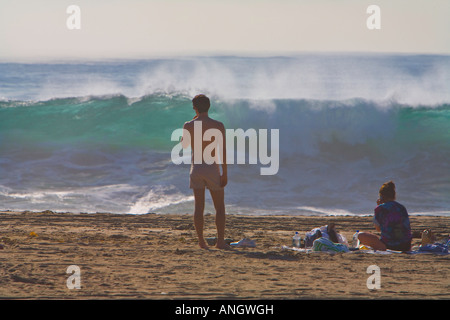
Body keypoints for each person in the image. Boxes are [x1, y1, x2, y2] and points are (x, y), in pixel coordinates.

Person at [181, 94, 228, 249]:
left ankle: (201, 241)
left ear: (195, 108)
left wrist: (191, 123)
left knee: (198, 207)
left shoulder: (188, 125)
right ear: (209, 107)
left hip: (196, 169)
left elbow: (184, 145)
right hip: (212, 168)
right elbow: (223, 151)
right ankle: (220, 242)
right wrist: (224, 172)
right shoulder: (218, 125)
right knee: (219, 208)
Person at [358, 181, 412, 251]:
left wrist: (378, 206)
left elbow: (378, 229)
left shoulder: (380, 208)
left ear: (381, 196)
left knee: (361, 235)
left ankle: (382, 248)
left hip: (390, 245)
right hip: (406, 245)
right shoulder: (401, 207)